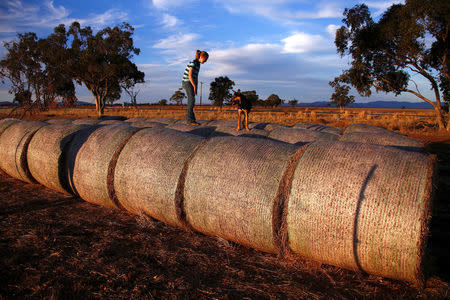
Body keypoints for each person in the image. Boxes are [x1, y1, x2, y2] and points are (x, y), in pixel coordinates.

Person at [182, 50, 209, 125]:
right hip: (187, 82)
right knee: (191, 99)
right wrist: (194, 86)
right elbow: (189, 76)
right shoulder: (193, 63)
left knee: (192, 100)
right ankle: (189, 120)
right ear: (201, 57)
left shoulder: (198, 65)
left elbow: (196, 77)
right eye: (205, 59)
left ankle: (192, 119)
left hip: (192, 82)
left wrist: (196, 87)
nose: (206, 61)